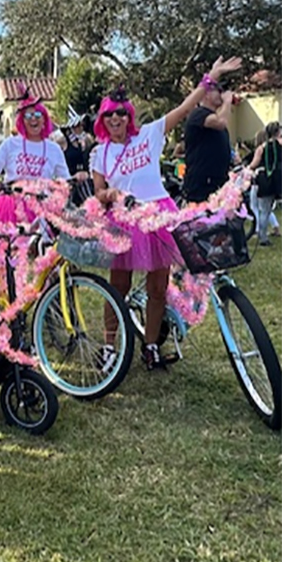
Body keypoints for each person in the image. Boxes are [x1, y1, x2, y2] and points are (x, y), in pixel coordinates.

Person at [90, 56, 241, 370]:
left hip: (159, 215)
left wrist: (210, 78)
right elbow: (99, 193)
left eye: (121, 113)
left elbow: (186, 108)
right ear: (102, 119)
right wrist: (112, 194)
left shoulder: (150, 133)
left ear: (128, 116)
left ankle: (150, 347)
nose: (115, 119)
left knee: (158, 288)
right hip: (125, 219)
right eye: (109, 114)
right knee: (118, 287)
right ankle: (109, 346)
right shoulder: (100, 153)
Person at [0, 87, 70, 223]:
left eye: (38, 115)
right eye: (28, 116)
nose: (33, 119)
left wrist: (68, 184)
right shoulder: (10, 144)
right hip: (11, 207)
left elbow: (65, 179)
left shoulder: (54, 149)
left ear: (44, 119)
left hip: (43, 207)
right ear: (21, 121)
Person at [182, 73, 235, 203]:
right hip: (202, 185)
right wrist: (227, 102)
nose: (221, 94)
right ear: (206, 94)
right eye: (218, 90)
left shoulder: (216, 117)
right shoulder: (198, 114)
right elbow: (220, 123)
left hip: (218, 183)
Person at [250, 121, 282, 245]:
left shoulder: (261, 148)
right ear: (278, 132)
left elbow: (254, 164)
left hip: (264, 179)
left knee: (264, 209)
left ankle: (262, 236)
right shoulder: (280, 145)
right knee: (267, 209)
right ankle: (264, 237)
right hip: (277, 179)